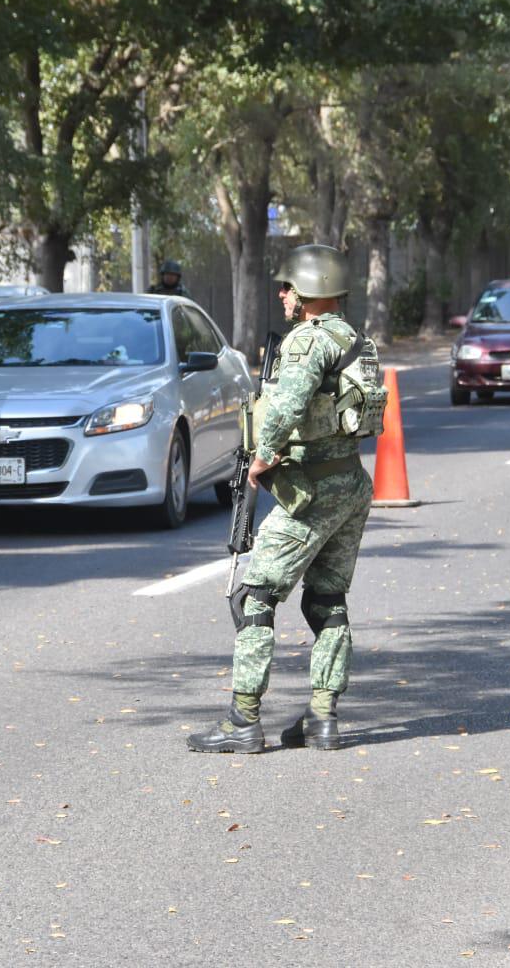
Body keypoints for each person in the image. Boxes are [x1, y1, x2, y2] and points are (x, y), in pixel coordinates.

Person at [188, 244, 375, 754]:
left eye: (288, 287)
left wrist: (263, 456)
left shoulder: (308, 341)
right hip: (350, 484)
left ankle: (243, 720)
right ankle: (322, 718)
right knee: (326, 600)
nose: (282, 295)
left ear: (310, 290)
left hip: (310, 492)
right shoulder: (355, 339)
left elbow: (287, 405)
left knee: (256, 598)